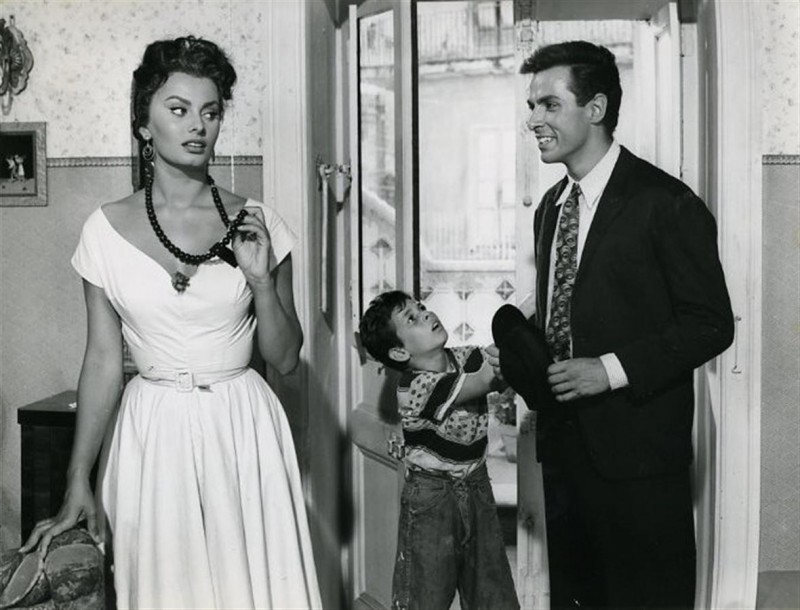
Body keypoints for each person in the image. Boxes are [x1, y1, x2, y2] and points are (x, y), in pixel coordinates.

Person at [20, 36, 322, 609]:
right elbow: (102, 360)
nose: (198, 126)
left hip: (242, 428)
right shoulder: (103, 230)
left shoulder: (257, 222)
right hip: (150, 435)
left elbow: (285, 358)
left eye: (210, 111)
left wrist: (260, 281)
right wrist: (77, 477)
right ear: (144, 124)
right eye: (179, 109)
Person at [490, 41, 734, 609]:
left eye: (550, 105)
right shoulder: (551, 207)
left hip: (640, 459)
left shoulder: (666, 202)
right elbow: (571, 303)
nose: (534, 120)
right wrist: (520, 348)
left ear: (595, 108)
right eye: (531, 106)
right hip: (565, 453)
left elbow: (710, 323)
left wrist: (611, 370)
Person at [359, 290, 519, 610]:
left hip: (476, 485)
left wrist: (511, 352)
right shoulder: (415, 386)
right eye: (412, 319)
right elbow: (487, 379)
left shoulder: (464, 356)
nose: (426, 314)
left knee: (492, 594)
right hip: (432, 497)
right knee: (425, 597)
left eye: (421, 308)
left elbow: (495, 369)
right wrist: (515, 334)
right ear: (400, 352)